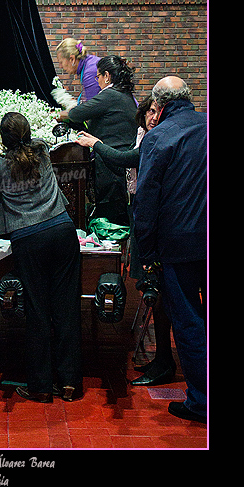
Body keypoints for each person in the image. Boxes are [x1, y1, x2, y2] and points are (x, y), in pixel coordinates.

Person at [77, 96, 177, 386]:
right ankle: (162, 358)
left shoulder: (157, 141)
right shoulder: (145, 136)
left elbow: (126, 160)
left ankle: (165, 361)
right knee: (153, 288)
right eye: (148, 112)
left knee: (158, 289)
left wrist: (95, 143)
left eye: (156, 112)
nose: (152, 117)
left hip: (157, 221)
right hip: (144, 214)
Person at [0, 112, 82, 403]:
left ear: (3, 139)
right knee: (67, 309)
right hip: (62, 230)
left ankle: (41, 387)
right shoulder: (42, 150)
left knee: (37, 312)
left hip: (28, 239)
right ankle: (69, 383)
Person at [134, 76, 207, 424]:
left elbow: (146, 202)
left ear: (159, 106)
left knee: (189, 321)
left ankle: (201, 402)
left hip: (179, 244)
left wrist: (144, 256)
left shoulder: (159, 136)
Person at [62, 55, 138, 226]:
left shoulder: (110, 94)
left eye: (98, 77)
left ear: (107, 76)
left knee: (112, 218)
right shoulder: (124, 94)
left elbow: (76, 114)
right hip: (121, 162)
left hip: (112, 165)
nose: (97, 82)